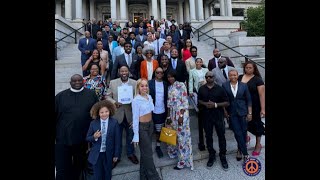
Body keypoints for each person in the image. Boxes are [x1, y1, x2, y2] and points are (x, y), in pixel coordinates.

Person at [55, 74, 99, 180]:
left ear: (83, 82)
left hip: (82, 139)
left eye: (80, 80)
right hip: (63, 138)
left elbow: (96, 115)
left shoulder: (91, 94)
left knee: (78, 167)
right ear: (70, 82)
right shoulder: (60, 96)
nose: (77, 82)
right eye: (74, 81)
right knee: (62, 168)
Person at [106, 66, 139, 168]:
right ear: (119, 72)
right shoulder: (113, 82)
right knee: (117, 137)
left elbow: (138, 96)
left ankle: (130, 154)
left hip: (130, 114)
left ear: (128, 72)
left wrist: (133, 100)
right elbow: (107, 96)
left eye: (126, 71)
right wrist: (114, 102)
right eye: (122, 71)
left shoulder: (135, 83)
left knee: (130, 135)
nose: (124, 73)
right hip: (117, 114)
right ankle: (116, 156)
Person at [198, 71, 229, 170]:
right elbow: (199, 100)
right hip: (206, 116)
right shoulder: (201, 88)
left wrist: (215, 105)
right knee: (208, 136)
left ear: (214, 77)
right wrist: (205, 104)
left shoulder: (220, 89)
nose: (208, 78)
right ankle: (212, 155)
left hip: (218, 116)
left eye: (210, 76)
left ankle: (223, 156)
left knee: (221, 136)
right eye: (206, 77)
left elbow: (227, 102)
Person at [131, 78, 161, 180]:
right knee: (148, 153)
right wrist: (135, 135)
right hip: (142, 127)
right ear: (138, 87)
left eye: (146, 85)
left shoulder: (149, 97)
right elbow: (135, 118)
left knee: (145, 153)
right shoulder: (136, 100)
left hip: (150, 125)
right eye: (142, 86)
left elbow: (151, 110)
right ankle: (154, 177)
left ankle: (143, 176)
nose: (145, 88)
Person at [222, 69, 252, 162]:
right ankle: (246, 154)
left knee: (243, 132)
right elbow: (223, 99)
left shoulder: (244, 85)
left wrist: (250, 113)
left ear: (237, 75)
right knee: (237, 132)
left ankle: (240, 150)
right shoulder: (224, 85)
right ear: (228, 76)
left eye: (234, 75)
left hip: (243, 112)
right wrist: (225, 111)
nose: (233, 77)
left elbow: (249, 100)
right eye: (231, 75)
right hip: (232, 113)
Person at [86, 100, 121, 180]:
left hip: (108, 154)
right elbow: (87, 138)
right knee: (97, 176)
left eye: (106, 111)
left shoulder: (114, 122)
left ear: (110, 111)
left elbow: (118, 141)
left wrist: (116, 154)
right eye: (102, 112)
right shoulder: (93, 123)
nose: (104, 114)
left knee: (108, 175)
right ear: (98, 113)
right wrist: (94, 137)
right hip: (97, 155)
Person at [166, 71, 194, 170]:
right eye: (168, 77)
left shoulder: (181, 85)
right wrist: (169, 116)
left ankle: (183, 162)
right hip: (172, 114)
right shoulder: (170, 87)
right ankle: (175, 155)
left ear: (175, 76)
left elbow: (184, 100)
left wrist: (181, 115)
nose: (170, 78)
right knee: (173, 137)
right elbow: (169, 104)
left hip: (181, 114)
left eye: (172, 77)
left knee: (183, 138)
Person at [238, 61, 265, 156]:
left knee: (256, 124)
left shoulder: (258, 80)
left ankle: (258, 144)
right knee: (243, 123)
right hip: (242, 105)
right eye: (246, 67)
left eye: (250, 68)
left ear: (254, 69)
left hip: (255, 106)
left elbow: (262, 95)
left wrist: (263, 109)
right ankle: (246, 137)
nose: (248, 69)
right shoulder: (240, 77)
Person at [188, 57, 209, 151]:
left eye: (200, 62)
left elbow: (210, 78)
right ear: (195, 63)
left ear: (202, 63)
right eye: (197, 62)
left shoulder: (206, 70)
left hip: (207, 90)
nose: (199, 63)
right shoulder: (192, 71)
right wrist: (190, 90)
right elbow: (190, 81)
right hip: (197, 91)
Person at [148, 67, 168, 158]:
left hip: (163, 110)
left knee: (160, 130)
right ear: (154, 73)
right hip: (152, 110)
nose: (159, 74)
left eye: (161, 72)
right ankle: (152, 147)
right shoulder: (149, 83)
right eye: (157, 72)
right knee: (153, 130)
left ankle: (158, 146)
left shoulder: (165, 84)